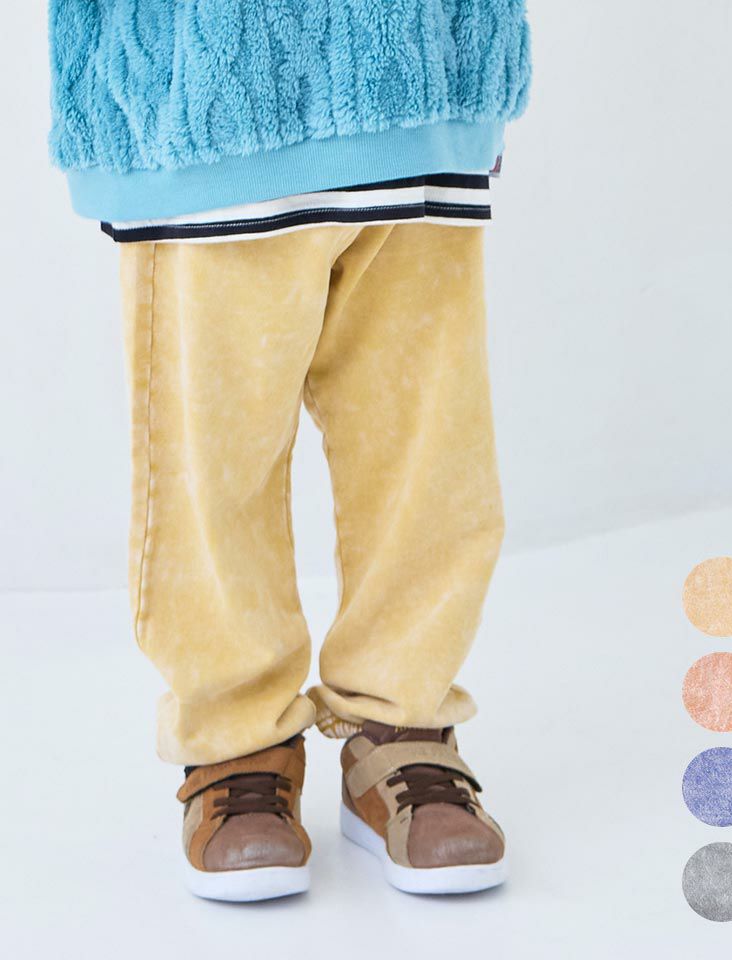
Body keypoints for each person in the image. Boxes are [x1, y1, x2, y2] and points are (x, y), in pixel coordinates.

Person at [48, 0, 531, 901]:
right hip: (200, 94)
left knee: (429, 449)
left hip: (418, 73)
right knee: (210, 461)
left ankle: (403, 725)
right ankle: (235, 744)